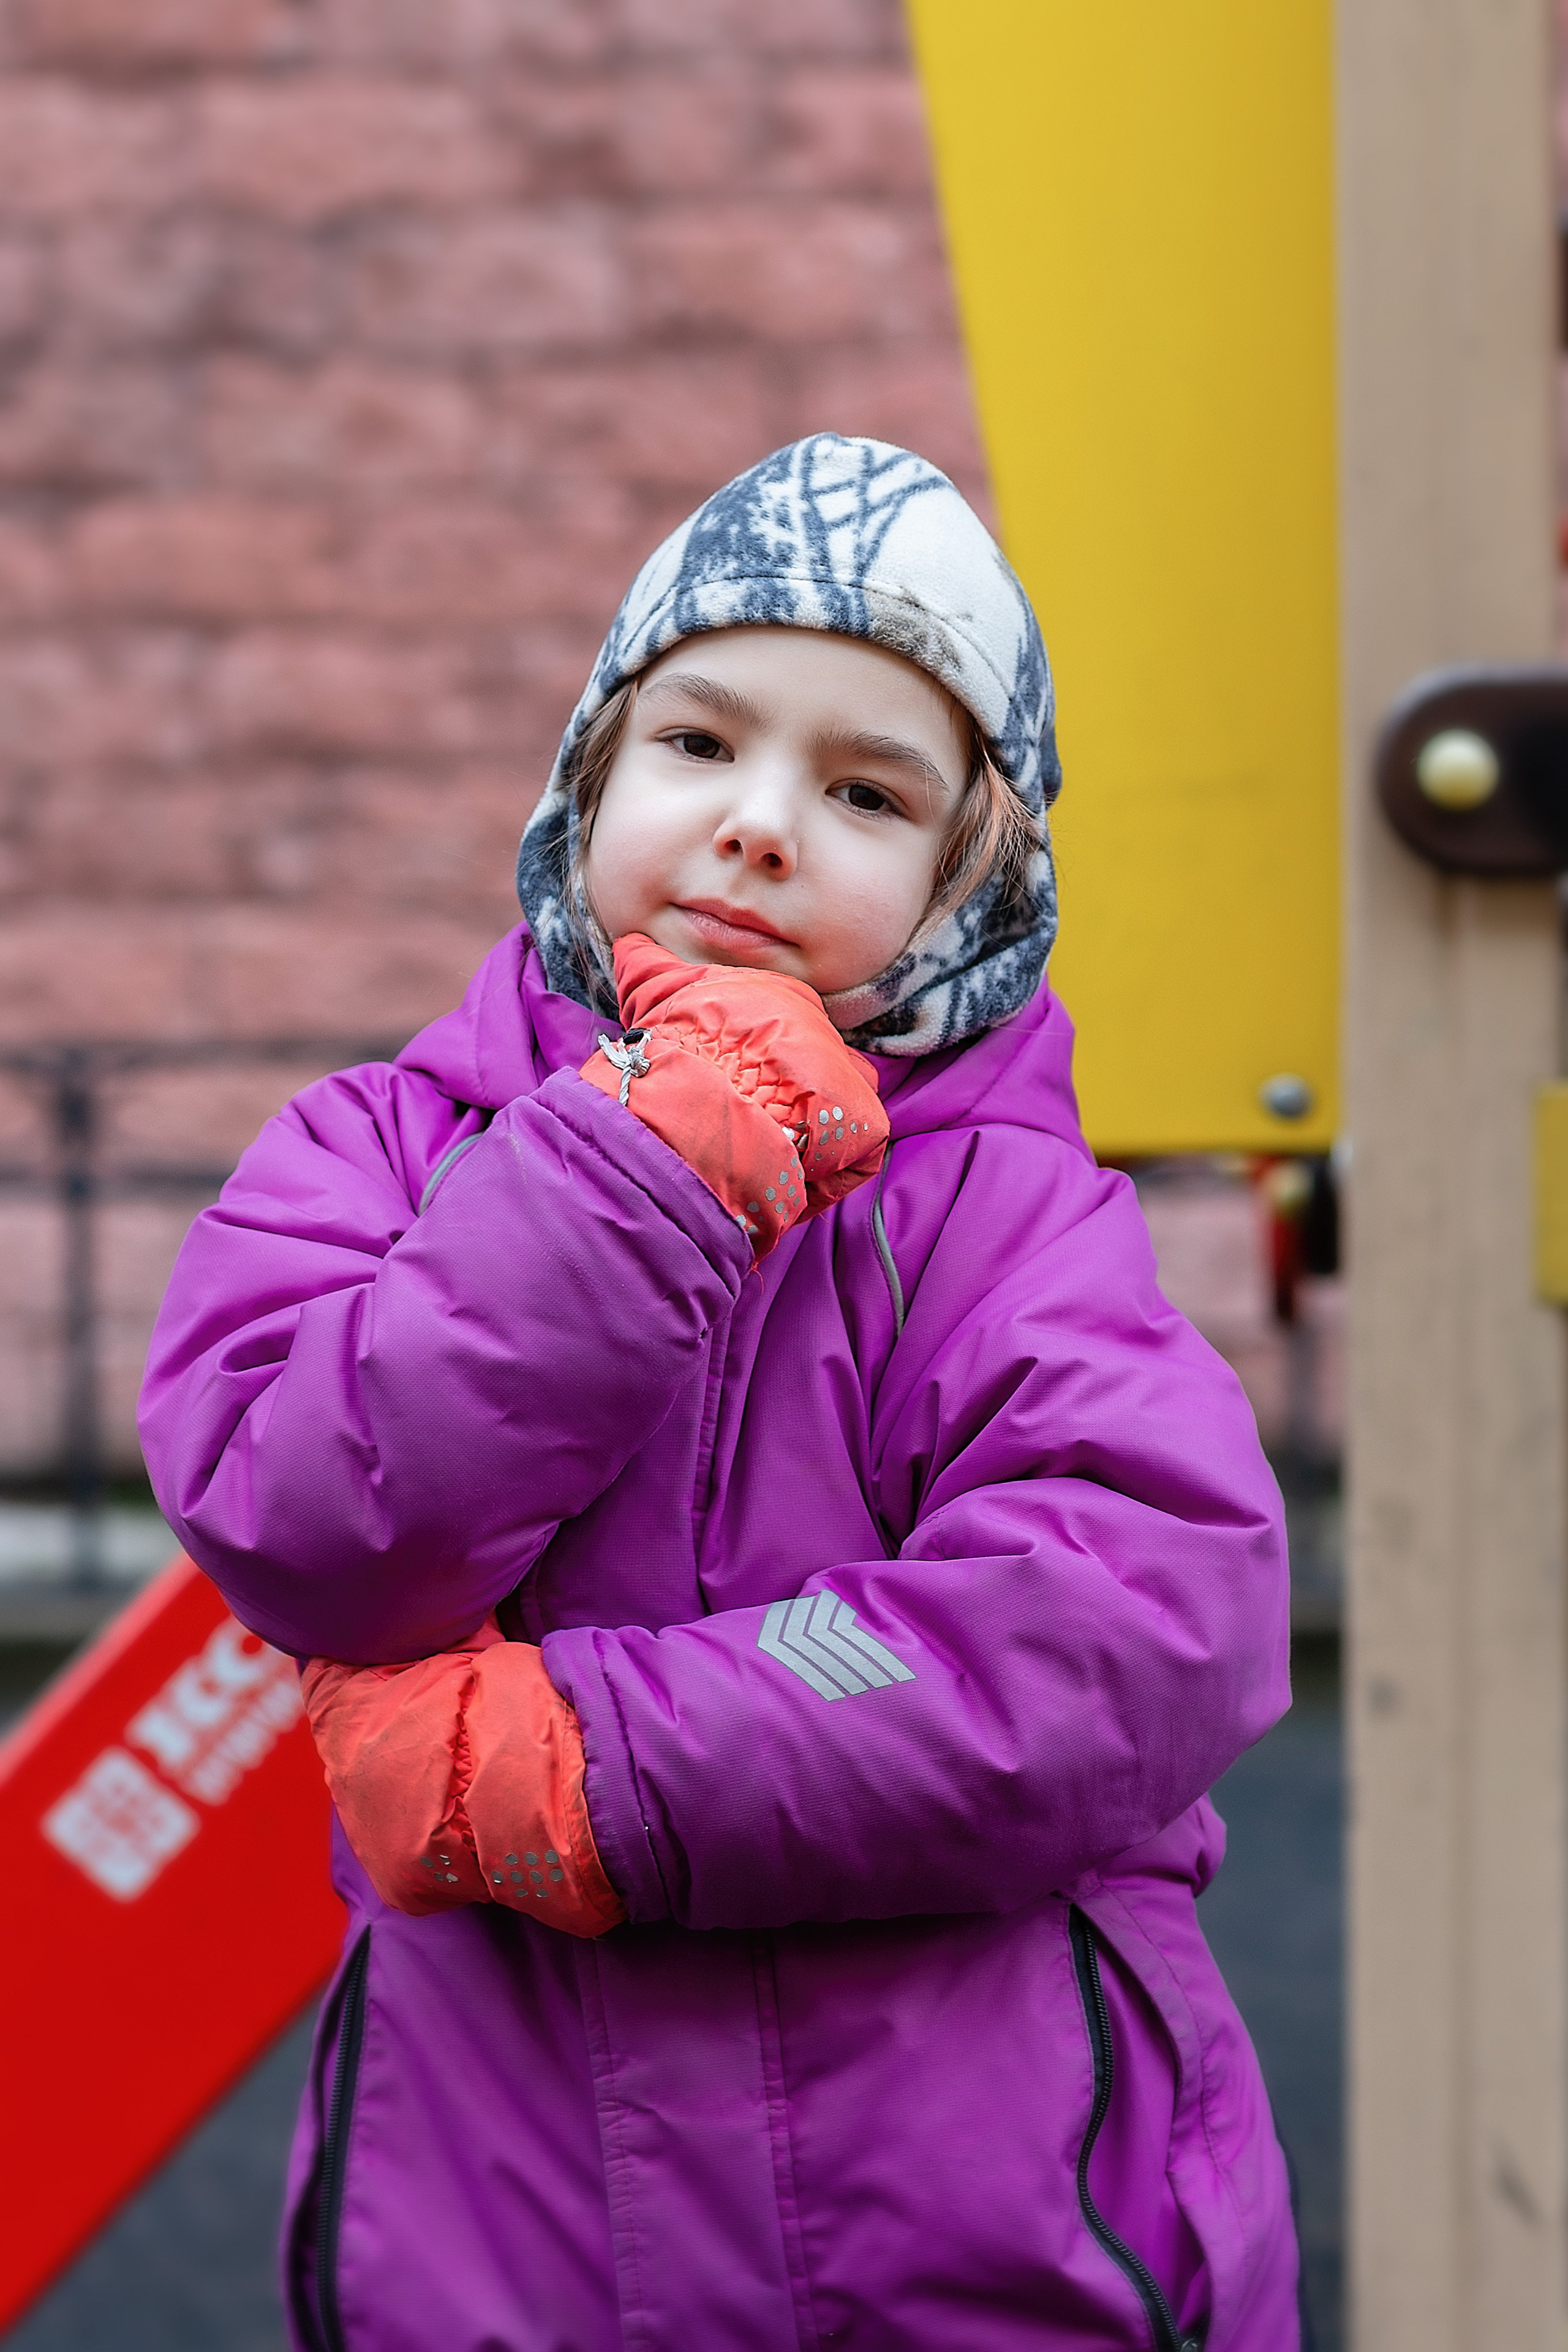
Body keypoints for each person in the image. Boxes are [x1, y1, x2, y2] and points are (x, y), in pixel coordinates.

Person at [139, 435, 1298, 2352]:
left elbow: (1129, 1615)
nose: (761, 825)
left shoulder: (1000, 1214)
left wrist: (604, 1759)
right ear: (584, 782)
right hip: (502, 2236)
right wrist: (640, 1167)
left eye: (863, 788)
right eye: (698, 744)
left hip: (990, 2238)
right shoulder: (385, 1152)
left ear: (960, 888)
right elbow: (304, 1515)